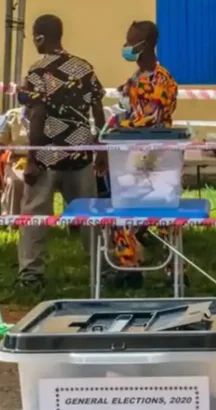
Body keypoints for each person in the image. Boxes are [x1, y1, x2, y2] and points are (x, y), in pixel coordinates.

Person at [16, 14, 107, 288]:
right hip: (80, 153)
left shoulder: (37, 72)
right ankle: (102, 268)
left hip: (47, 156)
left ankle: (31, 274)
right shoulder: (84, 68)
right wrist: (101, 148)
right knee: (90, 214)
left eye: (34, 36)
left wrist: (32, 158)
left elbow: (37, 115)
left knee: (34, 214)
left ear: (40, 37)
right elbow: (98, 110)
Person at [106, 20, 178, 288]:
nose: (126, 46)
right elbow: (131, 107)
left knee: (164, 219)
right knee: (123, 213)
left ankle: (174, 272)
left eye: (130, 41)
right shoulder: (136, 78)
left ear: (145, 44)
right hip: (132, 153)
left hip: (158, 155)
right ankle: (129, 268)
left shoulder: (162, 80)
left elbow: (150, 120)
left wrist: (117, 124)